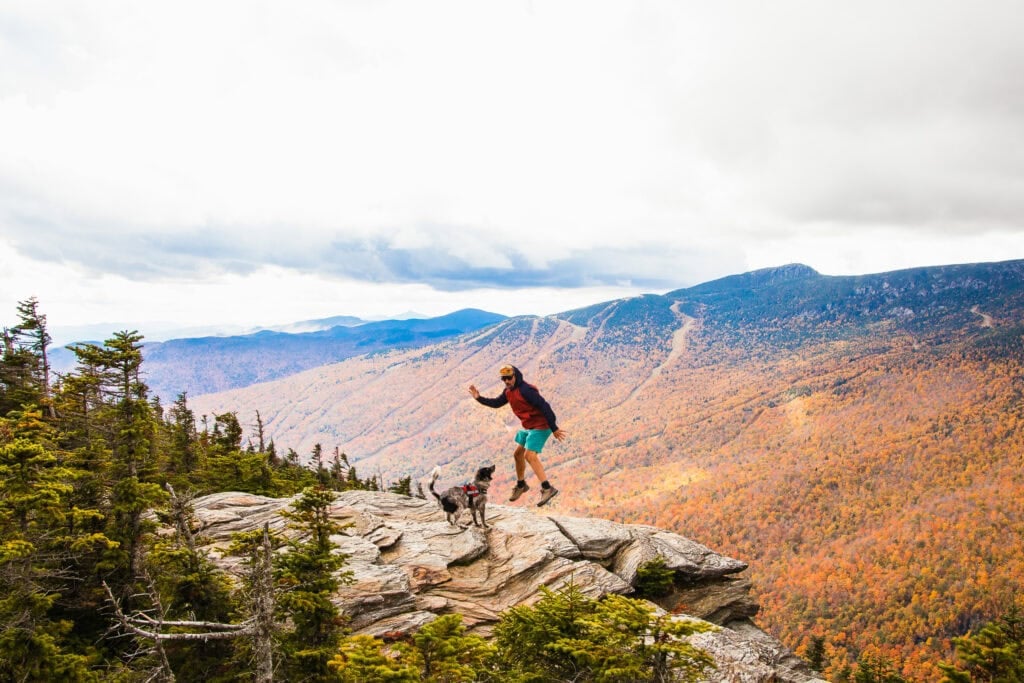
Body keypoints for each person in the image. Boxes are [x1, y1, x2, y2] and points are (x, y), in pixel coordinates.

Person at [469, 364, 567, 506]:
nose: (507, 381)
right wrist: (479, 398)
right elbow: (496, 403)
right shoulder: (508, 391)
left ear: (516, 376)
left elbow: (544, 406)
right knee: (517, 455)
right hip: (529, 426)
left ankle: (547, 488)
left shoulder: (526, 390)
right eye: (504, 379)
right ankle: (521, 485)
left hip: (541, 425)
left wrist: (554, 428)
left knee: (529, 455)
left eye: (509, 378)